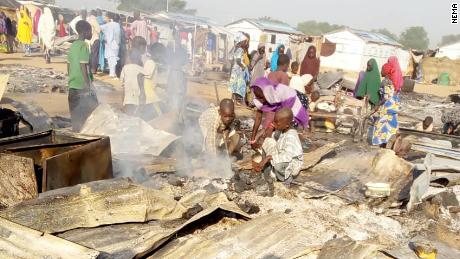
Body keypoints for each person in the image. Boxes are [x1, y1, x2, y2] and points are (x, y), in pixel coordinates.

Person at [250, 77, 309, 148]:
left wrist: (269, 128)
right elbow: (258, 118)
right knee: (277, 128)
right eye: (257, 97)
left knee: (287, 127)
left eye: (261, 97)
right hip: (284, 104)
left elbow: (282, 115)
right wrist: (252, 139)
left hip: (296, 99)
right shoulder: (260, 96)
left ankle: (297, 145)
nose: (260, 100)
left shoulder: (280, 93)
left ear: (267, 92)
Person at [255, 108, 303, 186]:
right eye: (274, 121)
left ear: (287, 125)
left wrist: (268, 158)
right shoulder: (282, 129)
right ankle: (266, 171)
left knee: (278, 165)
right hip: (281, 153)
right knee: (267, 141)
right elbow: (271, 138)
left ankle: (286, 179)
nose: (274, 124)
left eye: (277, 123)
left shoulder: (291, 136)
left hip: (291, 163)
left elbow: (287, 157)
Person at [67, 20, 98, 132]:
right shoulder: (84, 46)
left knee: (76, 119)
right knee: (92, 114)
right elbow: (83, 66)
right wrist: (87, 85)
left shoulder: (73, 45)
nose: (91, 34)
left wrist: (71, 79)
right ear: (85, 32)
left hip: (72, 86)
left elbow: (68, 65)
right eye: (90, 31)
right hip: (82, 87)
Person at [371, 63, 400, 146]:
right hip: (393, 105)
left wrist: (377, 105)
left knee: (380, 124)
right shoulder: (390, 81)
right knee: (390, 124)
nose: (381, 71)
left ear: (386, 72)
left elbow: (386, 96)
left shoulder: (385, 82)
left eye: (382, 70)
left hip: (388, 106)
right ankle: (388, 142)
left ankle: (380, 142)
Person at [228, 32, 250, 104]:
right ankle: (243, 102)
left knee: (234, 85)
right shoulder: (240, 49)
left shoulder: (234, 48)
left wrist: (233, 65)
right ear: (241, 41)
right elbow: (238, 60)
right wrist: (243, 66)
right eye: (244, 41)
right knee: (241, 85)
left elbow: (230, 59)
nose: (245, 43)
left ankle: (233, 100)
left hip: (234, 69)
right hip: (239, 70)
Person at [120, 51, 144, 116]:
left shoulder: (125, 67)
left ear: (129, 58)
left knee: (126, 99)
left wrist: (122, 83)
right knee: (135, 102)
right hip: (137, 89)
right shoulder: (140, 68)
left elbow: (121, 79)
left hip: (128, 89)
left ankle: (125, 109)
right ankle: (134, 112)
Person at [100, 13, 121, 78]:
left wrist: (105, 37)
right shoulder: (117, 25)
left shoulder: (108, 24)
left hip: (108, 44)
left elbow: (100, 27)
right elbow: (117, 35)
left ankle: (111, 73)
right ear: (118, 19)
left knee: (110, 58)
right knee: (114, 59)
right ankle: (112, 73)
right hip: (114, 44)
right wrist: (118, 43)